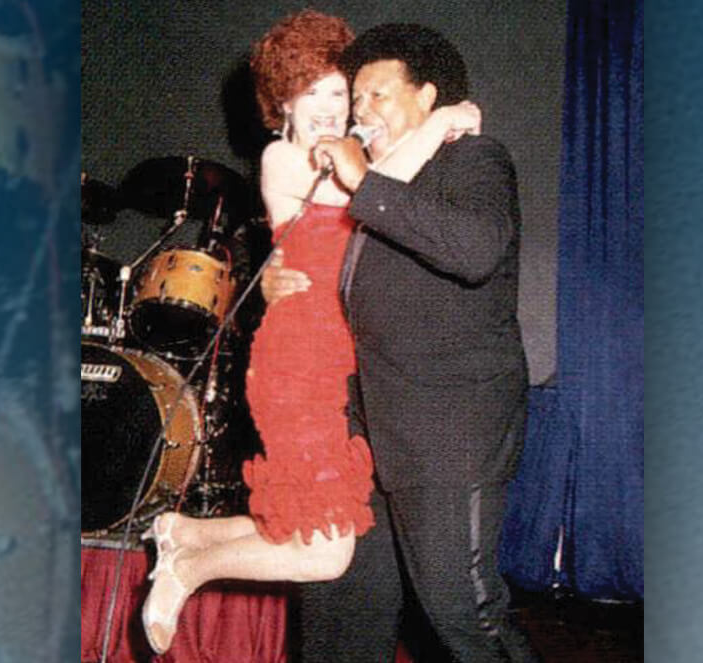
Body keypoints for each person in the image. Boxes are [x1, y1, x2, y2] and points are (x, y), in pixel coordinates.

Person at [139, 11, 483, 655]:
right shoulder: (281, 158)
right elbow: (375, 192)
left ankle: (186, 533)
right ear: (283, 106)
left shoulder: (353, 155)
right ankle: (188, 565)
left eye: (339, 94)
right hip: (298, 366)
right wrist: (439, 122)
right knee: (325, 557)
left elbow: (395, 210)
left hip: (342, 371)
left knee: (309, 524)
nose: (328, 109)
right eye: (312, 94)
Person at [267, 23, 541, 662]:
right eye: (355, 103)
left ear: (429, 97)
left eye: (377, 97)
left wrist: (368, 184)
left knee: (461, 608)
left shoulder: (475, 160)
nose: (361, 115)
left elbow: (475, 250)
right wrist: (276, 282)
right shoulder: (388, 182)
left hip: (450, 425)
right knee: (343, 606)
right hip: (373, 428)